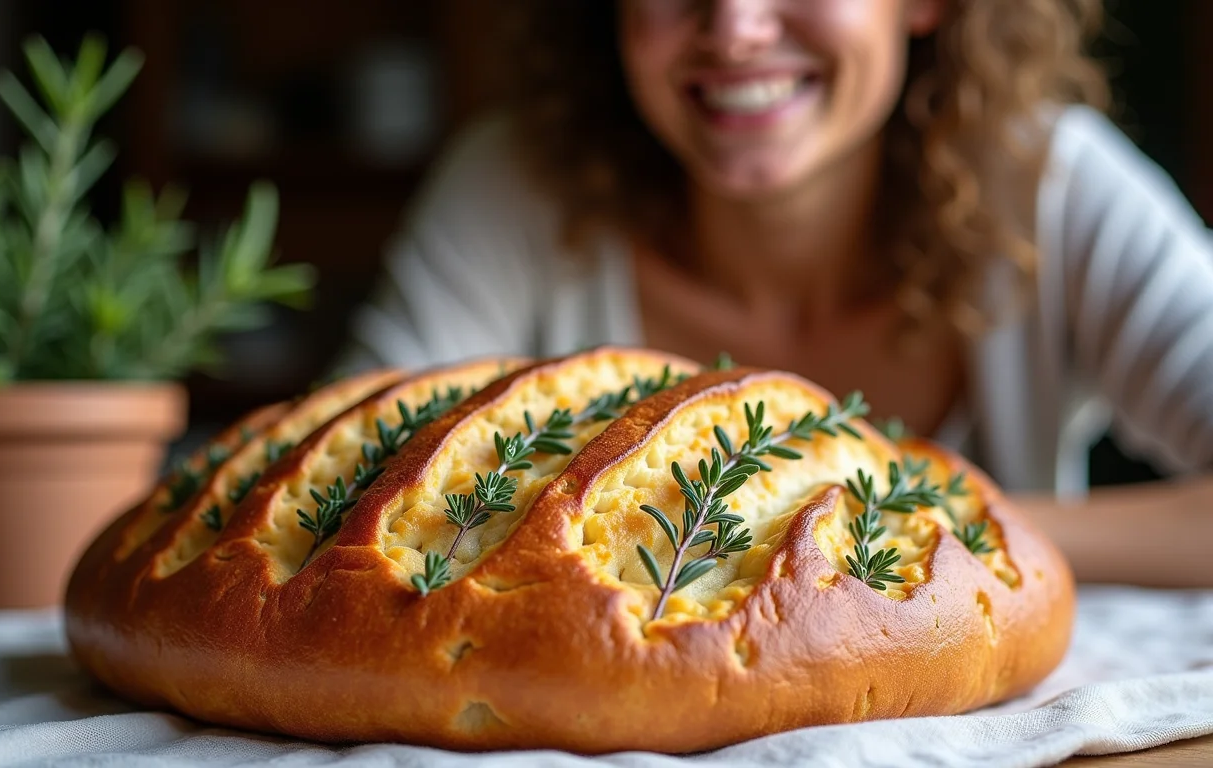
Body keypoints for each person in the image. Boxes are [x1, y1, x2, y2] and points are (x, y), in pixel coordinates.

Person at [338, 0, 1213, 586]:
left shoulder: (1052, 188)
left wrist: (919, 523)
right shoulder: (513, 187)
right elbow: (349, 491)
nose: (736, 28)